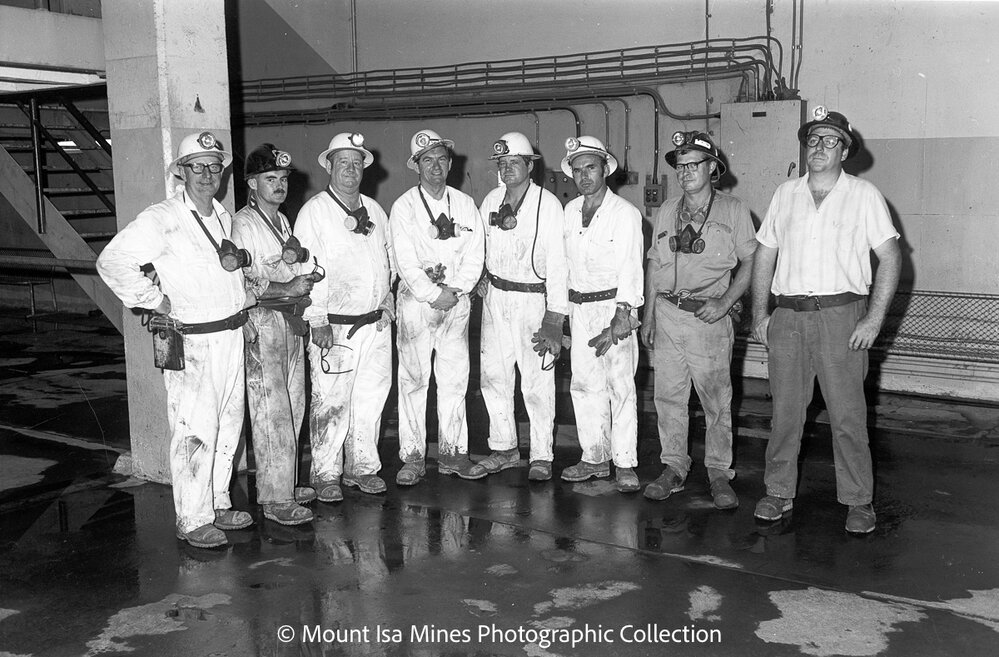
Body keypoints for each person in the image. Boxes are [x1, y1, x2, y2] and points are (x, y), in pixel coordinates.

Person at [97, 131, 257, 549]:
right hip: (192, 341)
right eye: (197, 166)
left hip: (229, 335)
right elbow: (112, 261)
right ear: (181, 172)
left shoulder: (221, 216)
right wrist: (154, 300)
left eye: (214, 166)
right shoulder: (162, 217)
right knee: (194, 430)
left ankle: (218, 502)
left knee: (228, 426)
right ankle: (193, 518)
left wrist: (241, 311)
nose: (207, 174)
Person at [751, 107, 901, 534]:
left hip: (842, 317)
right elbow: (765, 254)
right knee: (785, 414)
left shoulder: (864, 195)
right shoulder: (785, 194)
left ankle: (858, 500)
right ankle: (778, 491)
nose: (819, 147)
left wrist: (873, 319)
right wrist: (760, 313)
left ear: (845, 151)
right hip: (789, 317)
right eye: (813, 139)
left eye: (830, 140)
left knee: (847, 416)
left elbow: (890, 257)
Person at [640, 132, 757, 509]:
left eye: (694, 164)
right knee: (668, 397)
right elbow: (655, 262)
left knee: (716, 400)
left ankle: (719, 472)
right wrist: (648, 314)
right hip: (667, 314)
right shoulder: (666, 210)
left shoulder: (734, 209)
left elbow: (752, 261)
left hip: (708, 318)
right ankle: (674, 466)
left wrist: (725, 302)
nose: (685, 171)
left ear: (712, 168)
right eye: (680, 166)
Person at [294, 133, 395, 502]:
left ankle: (362, 467)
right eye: (343, 163)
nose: (351, 170)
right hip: (334, 327)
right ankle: (325, 474)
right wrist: (316, 318)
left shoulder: (375, 210)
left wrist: (387, 301)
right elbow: (306, 269)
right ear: (329, 167)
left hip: (375, 324)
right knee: (331, 402)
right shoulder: (315, 212)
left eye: (356, 163)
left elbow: (389, 260)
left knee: (371, 400)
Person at [469, 131, 568, 482]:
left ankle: (541, 455)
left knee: (536, 382)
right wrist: (479, 277)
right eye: (503, 163)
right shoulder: (491, 201)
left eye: (515, 162)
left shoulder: (548, 204)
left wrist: (554, 317)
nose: (508, 168)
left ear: (530, 166)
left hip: (533, 301)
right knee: (493, 377)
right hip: (496, 298)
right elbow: (478, 246)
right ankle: (504, 449)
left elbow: (558, 263)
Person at [389, 128, 485, 485]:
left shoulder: (465, 204)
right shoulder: (404, 207)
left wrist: (457, 289)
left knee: (455, 381)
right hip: (417, 303)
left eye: (441, 159)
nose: (435, 166)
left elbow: (476, 255)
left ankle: (453, 453)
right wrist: (432, 293)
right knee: (414, 382)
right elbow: (404, 260)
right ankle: (413, 457)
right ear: (416, 165)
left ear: (450, 163)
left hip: (456, 302)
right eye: (427, 160)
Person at [231, 143, 316, 526]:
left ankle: (287, 483)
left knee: (293, 406)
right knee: (271, 411)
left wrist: (301, 285)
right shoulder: (243, 225)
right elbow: (243, 282)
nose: (280, 185)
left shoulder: (282, 220)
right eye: (270, 179)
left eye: (283, 179)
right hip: (263, 321)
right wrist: (288, 288)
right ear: (252, 183)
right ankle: (275, 499)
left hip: (290, 321)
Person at [559, 136, 644, 492]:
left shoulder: (625, 213)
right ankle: (594, 457)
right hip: (579, 309)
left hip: (614, 308)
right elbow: (563, 266)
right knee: (584, 386)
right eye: (577, 170)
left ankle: (624, 463)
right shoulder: (568, 211)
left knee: (620, 388)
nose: (584, 176)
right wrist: (561, 316)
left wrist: (623, 315)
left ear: (605, 169)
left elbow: (631, 266)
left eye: (590, 167)